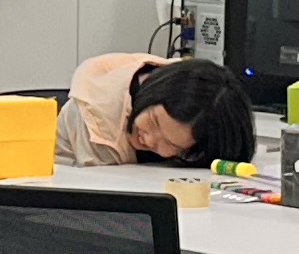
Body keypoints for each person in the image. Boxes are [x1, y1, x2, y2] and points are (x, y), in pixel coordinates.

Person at [55, 51, 256, 167]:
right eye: (153, 121)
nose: (149, 140)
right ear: (151, 90)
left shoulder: (193, 83)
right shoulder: (95, 117)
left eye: (171, 143)